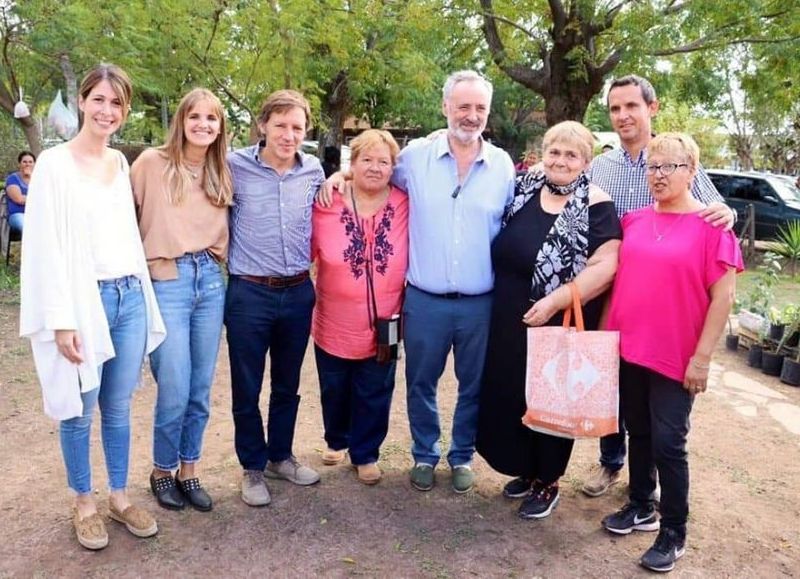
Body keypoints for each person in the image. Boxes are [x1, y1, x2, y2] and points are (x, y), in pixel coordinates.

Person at [322, 70, 515, 493]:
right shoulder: (415, 158)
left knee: (474, 384)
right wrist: (342, 176)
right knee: (420, 382)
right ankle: (425, 453)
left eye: (479, 107)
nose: (471, 115)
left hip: (480, 303)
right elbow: (375, 171)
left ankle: (462, 454)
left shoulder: (502, 166)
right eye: (463, 106)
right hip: (424, 300)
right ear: (446, 107)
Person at [19, 63, 165, 550]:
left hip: (128, 296)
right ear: (81, 100)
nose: (107, 110)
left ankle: (118, 498)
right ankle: (83, 501)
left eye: (117, 103)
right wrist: (61, 320)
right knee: (80, 409)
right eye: (99, 99)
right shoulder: (54, 165)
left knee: (118, 407)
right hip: (85, 301)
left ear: (125, 111)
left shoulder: (120, 164)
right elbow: (44, 248)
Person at [582, 74, 735, 498]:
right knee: (614, 390)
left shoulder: (674, 157)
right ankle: (611, 462)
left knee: (658, 414)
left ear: (652, 108)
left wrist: (729, 215)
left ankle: (650, 491)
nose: (623, 115)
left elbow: (710, 210)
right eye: (615, 108)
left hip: (662, 295)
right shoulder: (602, 166)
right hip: (613, 290)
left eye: (631, 106)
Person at [601, 133, 742, 572]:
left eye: (670, 167)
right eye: (652, 167)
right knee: (637, 432)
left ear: (692, 172)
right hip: (629, 348)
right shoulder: (635, 222)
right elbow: (616, 283)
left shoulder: (712, 230)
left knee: (668, 443)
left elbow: (724, 299)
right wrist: (605, 339)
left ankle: (673, 529)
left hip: (676, 357)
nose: (658, 175)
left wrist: (701, 359)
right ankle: (640, 503)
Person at [476, 121, 621, 519]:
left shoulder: (596, 203)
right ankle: (525, 468)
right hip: (508, 315)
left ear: (586, 161)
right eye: (554, 151)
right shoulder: (524, 190)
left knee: (552, 399)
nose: (561, 160)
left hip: (559, 320)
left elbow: (606, 265)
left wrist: (556, 300)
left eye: (571, 154)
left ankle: (548, 481)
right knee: (513, 394)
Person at [131, 88, 233, 512]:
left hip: (209, 279)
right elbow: (121, 215)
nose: (203, 125)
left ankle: (189, 470)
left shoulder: (221, 168)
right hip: (167, 279)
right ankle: (161, 470)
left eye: (212, 118)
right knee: (173, 383)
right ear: (182, 120)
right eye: (196, 117)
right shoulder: (151, 164)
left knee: (200, 387)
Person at [226, 89, 325, 507]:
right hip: (249, 291)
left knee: (288, 383)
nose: (289, 135)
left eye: (297, 127)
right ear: (263, 124)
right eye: (281, 125)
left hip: (299, 291)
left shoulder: (315, 170)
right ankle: (252, 466)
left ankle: (279, 456)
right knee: (245, 385)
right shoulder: (234, 165)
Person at [311, 129, 408, 485]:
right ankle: (337, 439)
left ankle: (365, 452)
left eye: (383, 161)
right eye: (366, 159)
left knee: (376, 389)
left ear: (393, 168)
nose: (375, 167)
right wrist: (338, 177)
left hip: (386, 320)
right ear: (353, 163)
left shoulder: (404, 203)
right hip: (332, 318)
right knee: (334, 386)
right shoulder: (326, 201)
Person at [5, 151, 35, 232]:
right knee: (27, 226)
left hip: (36, 214)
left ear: (34, 164)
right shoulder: (12, 178)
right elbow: (19, 199)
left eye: (30, 162)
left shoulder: (38, 179)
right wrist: (37, 198)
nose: (27, 164)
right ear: (20, 163)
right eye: (24, 162)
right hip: (18, 215)